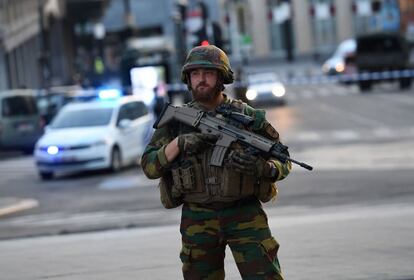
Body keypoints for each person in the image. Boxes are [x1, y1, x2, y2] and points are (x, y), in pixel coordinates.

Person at [141, 45, 291, 279]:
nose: (201, 80)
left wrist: (264, 168)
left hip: (245, 214)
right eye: (195, 74)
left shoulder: (249, 118)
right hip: (198, 218)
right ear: (188, 79)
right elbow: (149, 166)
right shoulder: (177, 120)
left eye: (208, 73)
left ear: (222, 77)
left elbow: (283, 160)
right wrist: (178, 144)